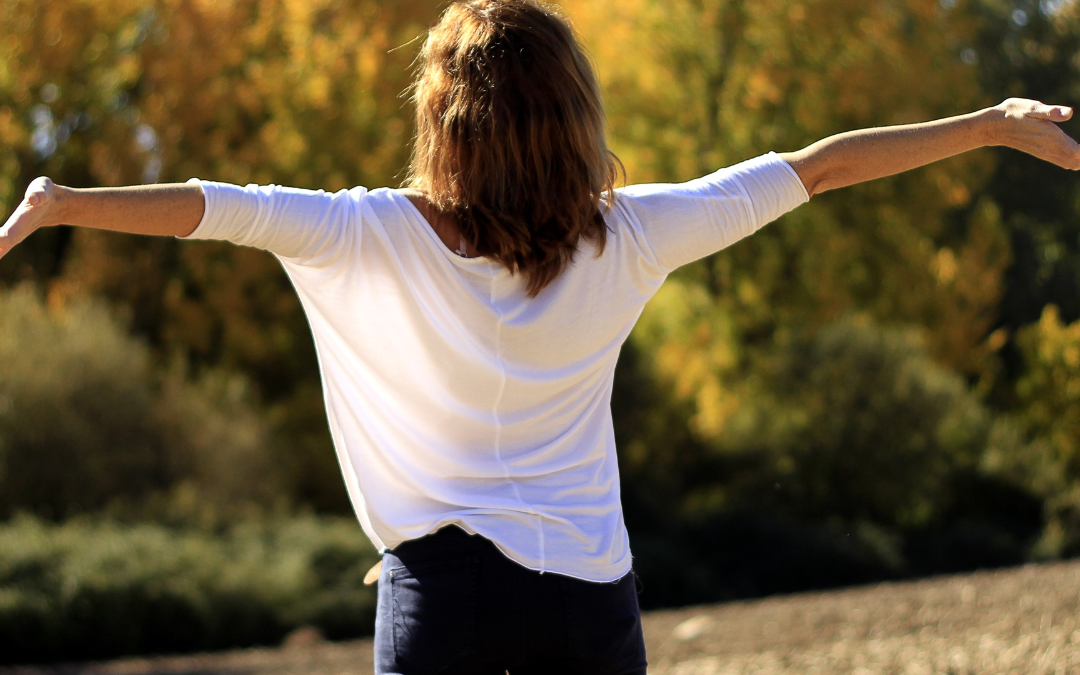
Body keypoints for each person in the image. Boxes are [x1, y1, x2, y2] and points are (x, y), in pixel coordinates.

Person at [1, 0, 1078, 672]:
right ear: (578, 119)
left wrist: (61, 199)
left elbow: (207, 205)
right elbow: (821, 165)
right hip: (589, 603)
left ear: (441, 125)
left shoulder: (364, 232)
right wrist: (990, 124)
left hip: (444, 603)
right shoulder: (635, 235)